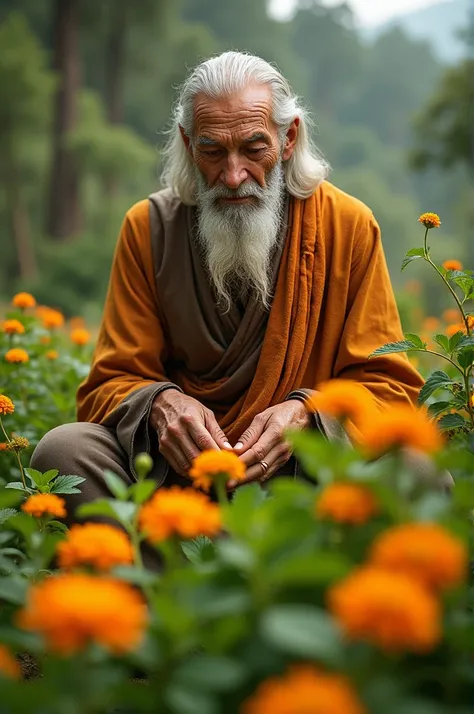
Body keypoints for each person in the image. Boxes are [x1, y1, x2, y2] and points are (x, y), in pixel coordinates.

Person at [31, 50, 427, 513]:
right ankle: (159, 573)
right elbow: (110, 382)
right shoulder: (149, 228)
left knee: (416, 468)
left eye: (253, 148)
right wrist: (161, 404)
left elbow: (390, 388)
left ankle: (309, 570)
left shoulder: (347, 226)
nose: (234, 175)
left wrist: (307, 415)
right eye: (212, 150)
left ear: (288, 138)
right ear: (187, 142)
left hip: (306, 477)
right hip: (178, 477)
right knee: (63, 453)